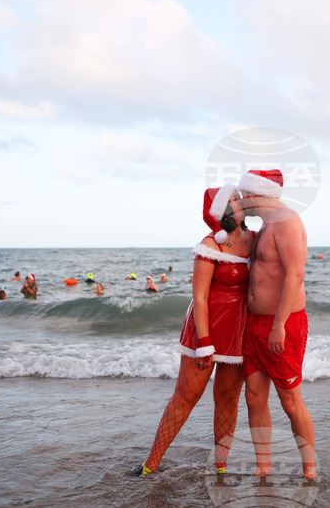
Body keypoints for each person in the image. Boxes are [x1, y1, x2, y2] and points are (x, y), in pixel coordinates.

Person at [133, 184, 253, 477]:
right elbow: (199, 297)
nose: (242, 202)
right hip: (206, 328)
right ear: (223, 210)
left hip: (238, 330)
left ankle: (221, 467)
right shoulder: (210, 244)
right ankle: (150, 465)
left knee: (228, 398)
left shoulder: (255, 239)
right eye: (236, 199)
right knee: (186, 396)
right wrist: (204, 342)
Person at [237, 169, 316, 480]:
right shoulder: (265, 226)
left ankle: (309, 469)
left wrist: (279, 325)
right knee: (254, 397)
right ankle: (263, 467)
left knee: (290, 401)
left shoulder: (286, 220)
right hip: (254, 324)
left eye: (244, 195)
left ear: (258, 193)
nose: (241, 201)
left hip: (282, 325)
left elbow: (295, 275)